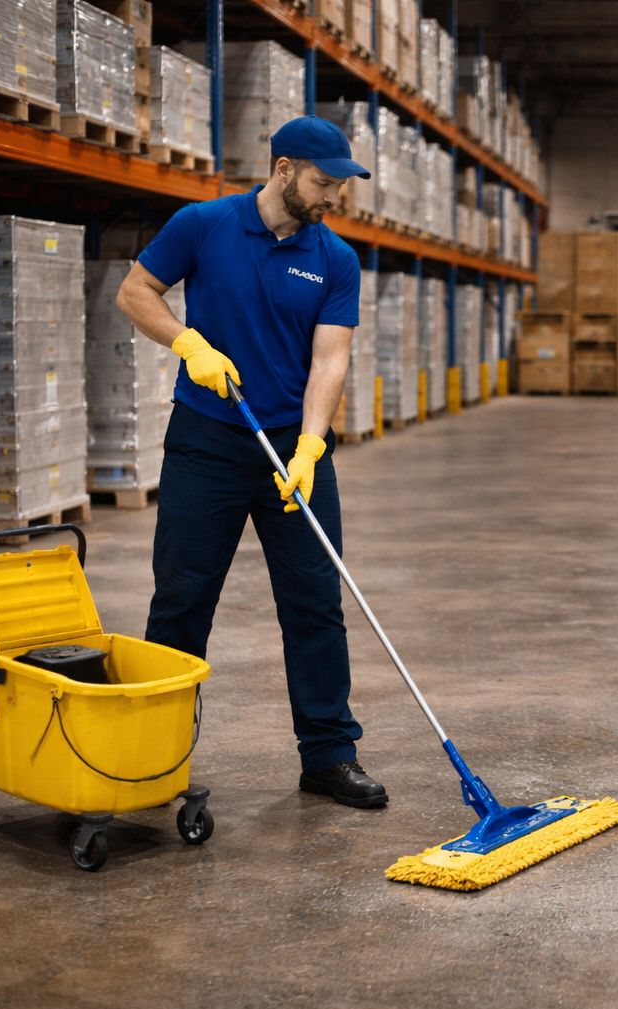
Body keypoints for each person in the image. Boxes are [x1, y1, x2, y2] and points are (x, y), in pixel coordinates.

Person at [114, 116, 387, 808]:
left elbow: (331, 358)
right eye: (324, 182)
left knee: (315, 602)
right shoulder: (202, 225)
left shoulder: (335, 259)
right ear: (285, 168)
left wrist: (312, 445)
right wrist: (188, 345)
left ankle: (327, 756)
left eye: (340, 186)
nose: (333, 198)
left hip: (290, 450)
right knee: (182, 598)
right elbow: (135, 293)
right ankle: (150, 757)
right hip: (206, 439)